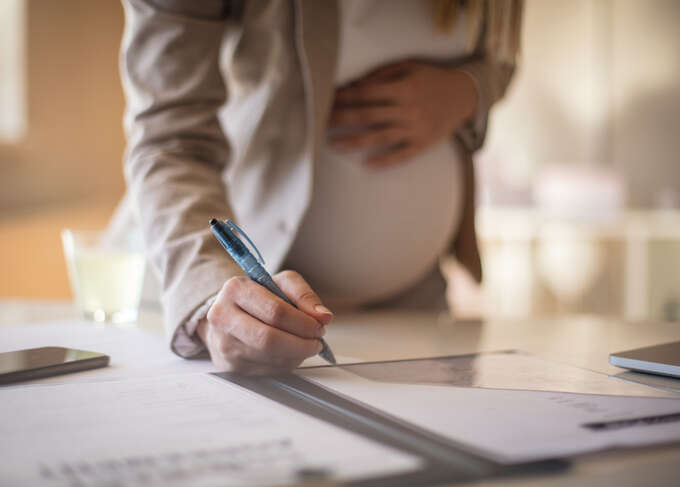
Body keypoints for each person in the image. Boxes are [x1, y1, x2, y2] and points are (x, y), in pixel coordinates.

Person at [112, 0, 522, 373]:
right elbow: (169, 139)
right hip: (235, 308)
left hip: (415, 303)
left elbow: (503, 55)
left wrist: (469, 89)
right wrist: (206, 296)